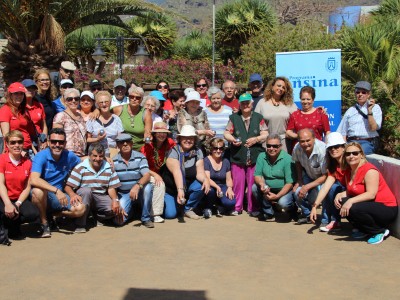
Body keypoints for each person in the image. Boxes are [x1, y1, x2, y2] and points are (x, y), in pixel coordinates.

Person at [334, 142, 398, 244]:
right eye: (348, 154)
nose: (351, 156)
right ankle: (364, 230)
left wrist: (350, 201)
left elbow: (371, 194)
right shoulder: (348, 171)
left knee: (353, 207)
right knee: (341, 201)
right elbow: (352, 190)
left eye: (355, 153)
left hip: (386, 208)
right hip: (370, 206)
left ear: (361, 155)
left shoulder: (369, 170)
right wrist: (339, 195)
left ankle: (379, 231)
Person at [30, 128, 86, 237]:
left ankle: (54, 215)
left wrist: (105, 159)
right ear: (48, 142)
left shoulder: (68, 155)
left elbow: (82, 160)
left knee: (80, 209)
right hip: (44, 195)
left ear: (65, 143)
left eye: (60, 142)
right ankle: (44, 223)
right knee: (37, 191)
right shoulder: (41, 156)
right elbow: (34, 179)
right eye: (53, 141)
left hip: (59, 197)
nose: (57, 145)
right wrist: (56, 191)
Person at [224, 93, 268, 216]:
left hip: (255, 155)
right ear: (239, 104)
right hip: (238, 155)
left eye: (247, 102)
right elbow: (226, 133)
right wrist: (232, 139)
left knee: (253, 182)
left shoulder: (259, 117)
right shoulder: (234, 117)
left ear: (252, 104)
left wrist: (256, 139)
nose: (245, 105)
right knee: (238, 183)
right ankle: (237, 207)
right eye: (243, 103)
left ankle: (252, 207)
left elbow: (265, 133)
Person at [65, 143, 125, 229]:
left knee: (114, 210)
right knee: (86, 191)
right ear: (89, 155)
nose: (98, 159)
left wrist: (115, 200)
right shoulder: (80, 167)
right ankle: (80, 224)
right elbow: (68, 186)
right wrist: (72, 195)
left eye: (101, 156)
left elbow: (111, 188)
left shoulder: (109, 168)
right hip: (84, 195)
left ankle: (97, 217)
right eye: (95, 156)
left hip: (100, 195)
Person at [162, 125, 210, 220]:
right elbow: (177, 171)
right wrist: (180, 189)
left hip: (187, 187)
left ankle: (188, 209)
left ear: (195, 140)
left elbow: (199, 173)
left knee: (201, 185)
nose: (188, 140)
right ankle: (176, 204)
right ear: (180, 138)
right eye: (185, 138)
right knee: (170, 215)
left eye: (191, 138)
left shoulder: (198, 152)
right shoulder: (173, 151)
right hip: (171, 189)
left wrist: (205, 179)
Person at [0, 131, 39, 239]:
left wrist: (17, 203)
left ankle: (12, 223)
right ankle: (6, 224)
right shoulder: (2, 159)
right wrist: (8, 204)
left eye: (19, 142)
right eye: (13, 142)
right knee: (6, 213)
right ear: (7, 144)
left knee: (33, 214)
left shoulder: (28, 162)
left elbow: (27, 186)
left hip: (18, 198)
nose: (16, 145)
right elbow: (0, 184)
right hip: (3, 198)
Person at [113, 134, 153, 227]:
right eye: (121, 142)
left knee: (148, 187)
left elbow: (147, 175)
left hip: (139, 191)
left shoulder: (140, 157)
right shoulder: (113, 161)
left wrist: (137, 186)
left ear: (132, 144)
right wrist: (116, 200)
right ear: (117, 145)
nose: (125, 144)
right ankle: (132, 213)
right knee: (119, 222)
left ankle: (146, 218)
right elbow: (112, 183)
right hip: (123, 194)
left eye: (128, 142)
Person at [252, 134, 295, 221]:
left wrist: (277, 196)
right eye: (269, 146)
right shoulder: (261, 156)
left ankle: (292, 209)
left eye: (275, 146)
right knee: (254, 188)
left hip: (284, 189)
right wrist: (262, 184)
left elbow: (289, 183)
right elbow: (257, 175)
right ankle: (269, 212)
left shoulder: (287, 159)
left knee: (283, 203)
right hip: (269, 188)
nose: (271, 148)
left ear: (280, 146)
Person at [310, 132, 347, 232]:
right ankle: (330, 220)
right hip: (345, 192)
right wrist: (315, 206)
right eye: (331, 148)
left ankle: (334, 220)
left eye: (337, 146)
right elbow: (325, 187)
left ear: (343, 147)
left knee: (334, 189)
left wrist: (341, 194)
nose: (333, 150)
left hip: (354, 193)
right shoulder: (333, 166)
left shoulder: (350, 162)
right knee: (330, 188)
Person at [140, 122, 176, 223]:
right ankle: (155, 214)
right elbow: (142, 166)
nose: (162, 135)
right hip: (148, 172)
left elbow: (178, 148)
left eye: (164, 132)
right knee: (159, 183)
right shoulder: (148, 146)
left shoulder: (169, 142)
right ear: (154, 134)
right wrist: (155, 174)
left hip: (162, 171)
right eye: (159, 132)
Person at [292, 128, 327, 224]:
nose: (305, 144)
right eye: (302, 141)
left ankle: (326, 219)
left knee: (325, 194)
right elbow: (297, 162)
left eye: (308, 140)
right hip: (309, 174)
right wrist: (299, 180)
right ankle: (307, 215)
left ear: (314, 138)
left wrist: (307, 186)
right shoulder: (297, 148)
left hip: (324, 177)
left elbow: (326, 175)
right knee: (297, 192)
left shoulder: (322, 150)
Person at [337, 81, 382, 154]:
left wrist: (369, 111)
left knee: (358, 154)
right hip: (351, 142)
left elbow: (373, 128)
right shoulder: (350, 110)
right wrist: (344, 146)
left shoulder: (375, 108)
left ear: (368, 94)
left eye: (363, 92)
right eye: (358, 92)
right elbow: (342, 131)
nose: (360, 94)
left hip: (367, 142)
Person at [255, 76, 297, 153]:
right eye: (278, 86)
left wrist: (316, 110)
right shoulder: (262, 103)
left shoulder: (290, 104)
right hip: (267, 143)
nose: (281, 88)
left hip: (284, 143)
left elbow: (301, 116)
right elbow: (255, 122)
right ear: (272, 86)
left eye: (283, 87)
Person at [0, 82, 36, 154]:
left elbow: (26, 132)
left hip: (28, 149)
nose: (19, 96)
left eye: (21, 93)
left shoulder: (23, 111)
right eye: (16, 93)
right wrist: (20, 152)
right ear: (10, 95)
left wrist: (35, 151)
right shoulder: (5, 110)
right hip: (16, 151)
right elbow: (6, 135)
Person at [203, 138, 235, 217]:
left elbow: (228, 179)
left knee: (231, 202)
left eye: (220, 148)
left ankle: (220, 206)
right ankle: (208, 208)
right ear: (211, 149)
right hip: (211, 185)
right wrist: (217, 187)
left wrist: (230, 188)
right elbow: (207, 178)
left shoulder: (226, 161)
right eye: (215, 148)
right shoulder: (206, 160)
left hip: (222, 185)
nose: (218, 151)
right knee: (210, 191)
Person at [114, 86, 152, 151]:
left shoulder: (146, 113)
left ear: (141, 99)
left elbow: (147, 132)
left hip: (139, 148)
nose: (134, 99)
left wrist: (147, 137)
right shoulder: (119, 109)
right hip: (122, 147)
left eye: (138, 98)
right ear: (128, 98)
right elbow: (105, 113)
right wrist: (96, 111)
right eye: (131, 97)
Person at [87, 91, 123, 157]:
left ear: (110, 102)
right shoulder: (92, 119)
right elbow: (87, 139)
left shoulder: (116, 119)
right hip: (96, 153)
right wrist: (97, 139)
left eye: (106, 102)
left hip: (113, 153)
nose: (104, 104)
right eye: (101, 102)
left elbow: (120, 138)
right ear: (97, 104)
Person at [53, 88, 87, 157]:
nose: (73, 101)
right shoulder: (60, 116)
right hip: (67, 155)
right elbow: (56, 137)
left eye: (76, 99)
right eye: (70, 99)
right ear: (65, 101)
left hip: (82, 155)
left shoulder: (81, 116)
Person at [21, 79, 47, 152]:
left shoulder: (39, 105)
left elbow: (44, 125)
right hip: (26, 141)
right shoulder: (19, 107)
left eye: (33, 88)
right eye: (28, 88)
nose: (31, 90)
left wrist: (44, 139)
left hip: (39, 140)